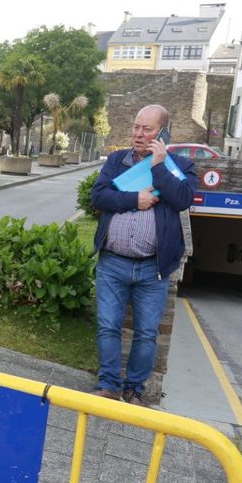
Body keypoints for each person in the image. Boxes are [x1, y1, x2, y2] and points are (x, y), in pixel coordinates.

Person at [88, 104, 194, 406]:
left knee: (146, 333)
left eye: (146, 129)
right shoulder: (116, 161)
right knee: (108, 325)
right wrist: (136, 198)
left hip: (153, 269)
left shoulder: (181, 166)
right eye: (136, 127)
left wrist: (159, 167)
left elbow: (183, 199)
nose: (138, 133)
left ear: (162, 133)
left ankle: (134, 390)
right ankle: (108, 385)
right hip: (113, 263)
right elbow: (99, 197)